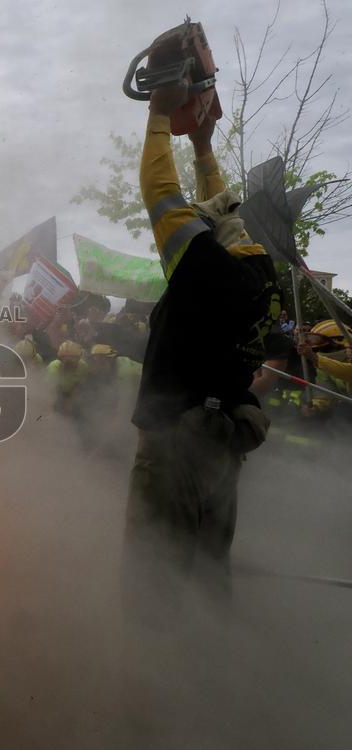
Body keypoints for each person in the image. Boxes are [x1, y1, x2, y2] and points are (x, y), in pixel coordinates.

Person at [124, 80, 280, 601]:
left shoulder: (204, 271)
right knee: (209, 577)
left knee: (156, 581)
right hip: (220, 449)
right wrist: (205, 145)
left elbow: (157, 190)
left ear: (206, 242)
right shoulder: (261, 276)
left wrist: (161, 114)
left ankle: (153, 675)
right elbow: (225, 210)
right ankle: (211, 669)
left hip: (176, 448)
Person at [44, 340, 89, 416]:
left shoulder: (83, 367)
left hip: (72, 392)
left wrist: (70, 402)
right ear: (60, 359)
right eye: (66, 360)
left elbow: (79, 386)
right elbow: (50, 393)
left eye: (73, 359)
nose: (69, 363)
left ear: (79, 358)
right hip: (57, 393)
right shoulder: (53, 368)